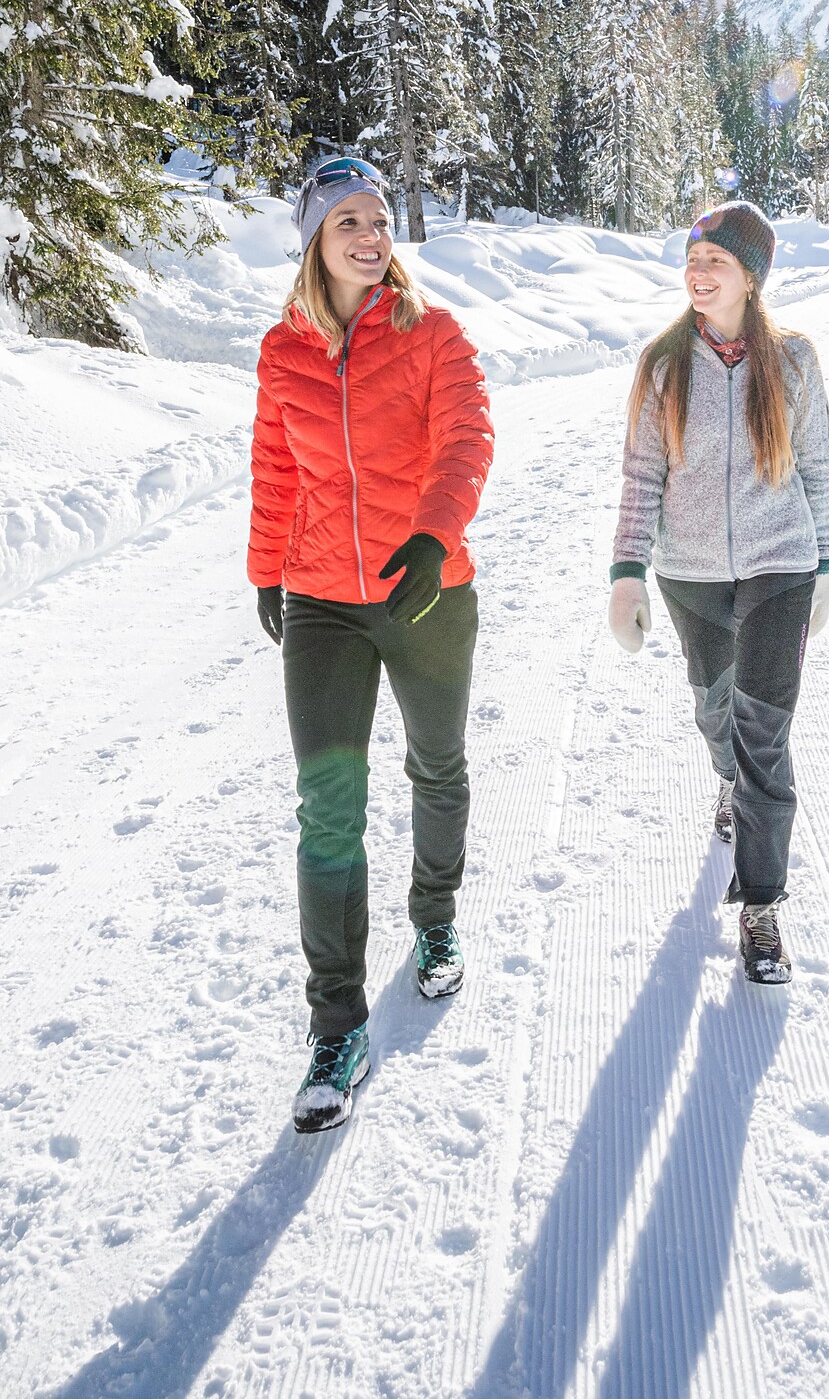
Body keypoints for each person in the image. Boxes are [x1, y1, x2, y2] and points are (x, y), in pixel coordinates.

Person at [248, 157, 493, 1134]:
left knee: (435, 766)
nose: (367, 235)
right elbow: (274, 466)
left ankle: (435, 921)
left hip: (425, 591)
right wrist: (265, 568)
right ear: (314, 237)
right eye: (346, 219)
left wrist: (434, 537)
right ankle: (336, 1028)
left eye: (377, 219)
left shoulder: (432, 333)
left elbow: (467, 438)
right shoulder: (283, 350)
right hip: (321, 601)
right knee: (328, 808)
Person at [608, 201, 829, 984]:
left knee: (763, 733)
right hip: (692, 572)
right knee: (718, 716)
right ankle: (727, 781)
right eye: (693, 259)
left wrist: (826, 563)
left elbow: (816, 468)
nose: (698, 274)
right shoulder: (663, 363)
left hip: (781, 566)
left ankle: (762, 907)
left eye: (716, 261)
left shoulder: (795, 361)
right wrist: (627, 573)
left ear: (751, 277)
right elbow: (642, 474)